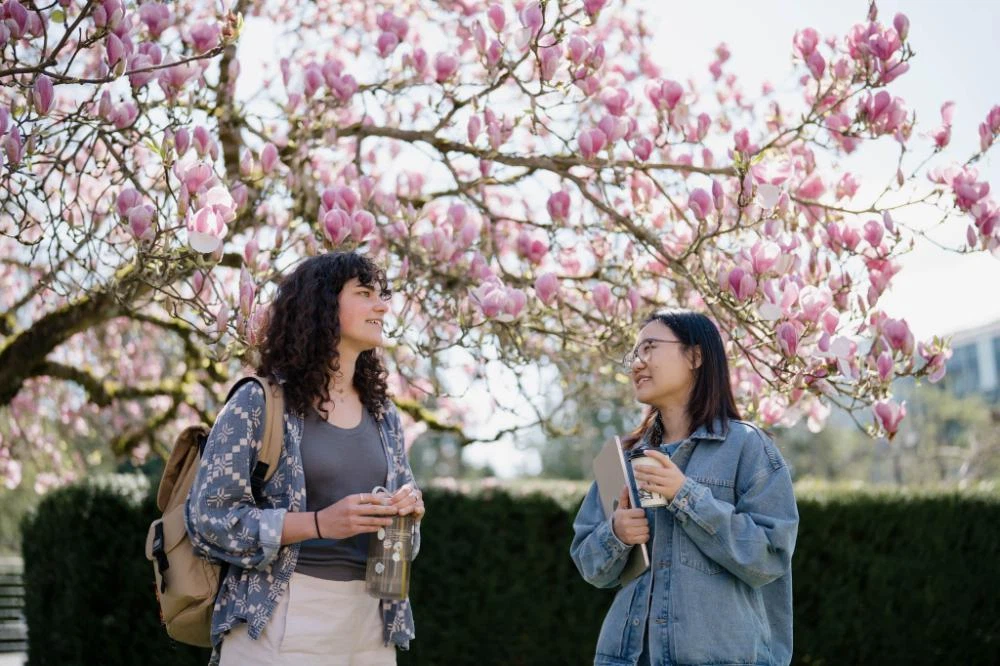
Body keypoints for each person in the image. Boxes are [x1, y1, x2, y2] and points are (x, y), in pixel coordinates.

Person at [185, 251, 425, 666]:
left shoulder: (384, 415)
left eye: (381, 295)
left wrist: (408, 513)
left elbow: (409, 546)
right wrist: (318, 524)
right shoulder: (257, 402)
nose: (382, 306)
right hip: (280, 617)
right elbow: (209, 518)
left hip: (372, 623)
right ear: (323, 305)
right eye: (364, 294)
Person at [570, 309, 798, 666]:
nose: (637, 363)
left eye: (650, 347)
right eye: (634, 354)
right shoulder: (622, 458)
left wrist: (686, 496)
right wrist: (616, 533)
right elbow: (590, 566)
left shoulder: (747, 447)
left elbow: (769, 557)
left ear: (695, 356)